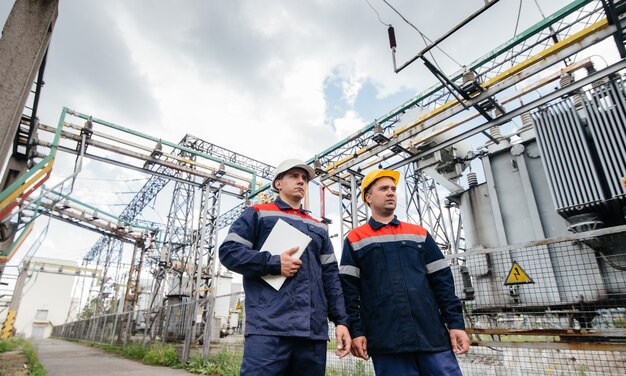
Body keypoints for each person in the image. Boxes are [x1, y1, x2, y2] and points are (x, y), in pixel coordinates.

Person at [219, 158, 351, 376]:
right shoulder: (257, 213)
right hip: (269, 329)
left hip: (312, 332)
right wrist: (273, 263)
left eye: (304, 178)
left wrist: (341, 321)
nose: (301, 181)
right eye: (294, 176)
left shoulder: (318, 226)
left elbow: (331, 277)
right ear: (278, 183)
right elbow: (229, 252)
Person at [339, 169, 470, 375]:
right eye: (383, 189)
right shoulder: (356, 239)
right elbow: (349, 292)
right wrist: (356, 331)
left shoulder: (419, 233)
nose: (391, 192)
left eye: (393, 189)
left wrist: (455, 324)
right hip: (387, 340)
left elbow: (443, 283)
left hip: (431, 336)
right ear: (368, 197)